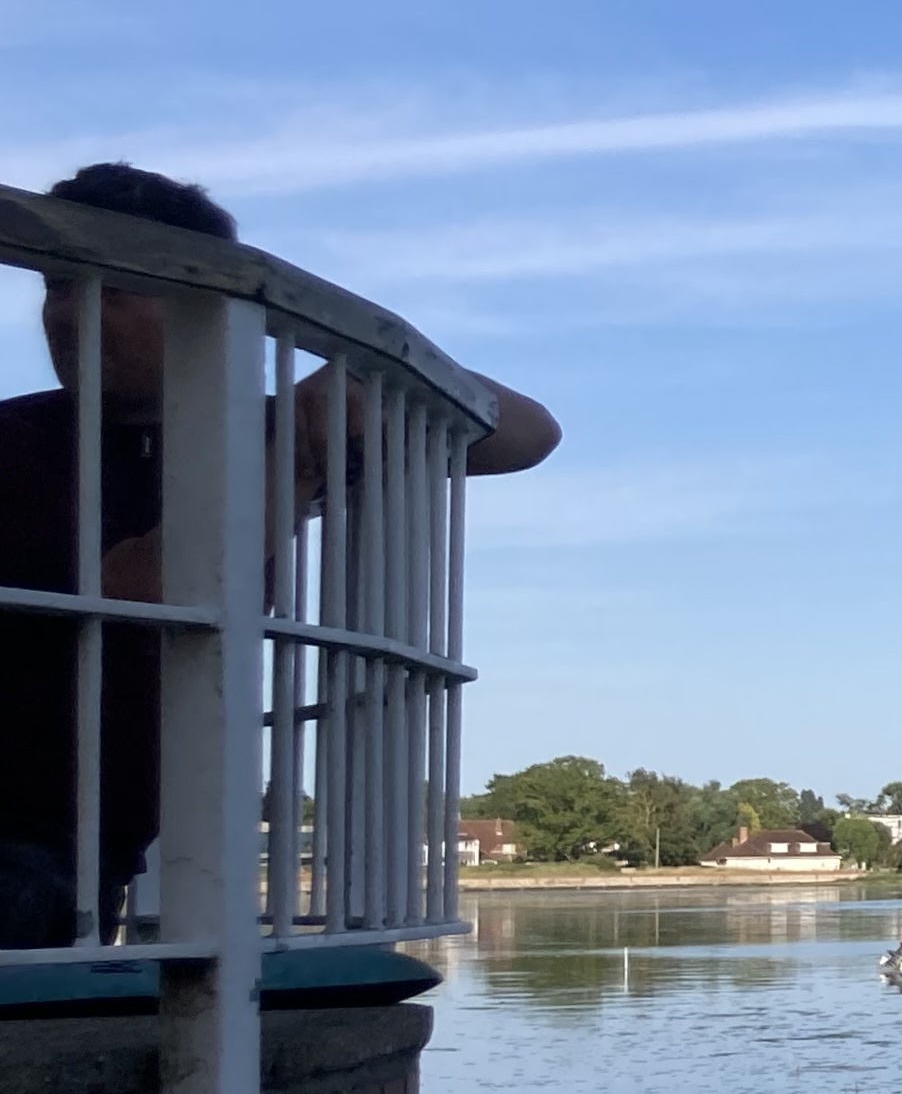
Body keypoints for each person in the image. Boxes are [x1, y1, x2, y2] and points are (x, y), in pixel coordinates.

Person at [0, 164, 560, 948]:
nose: (69, 311)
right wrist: (291, 466)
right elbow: (146, 594)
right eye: (56, 286)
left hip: (73, 854)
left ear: (200, 298)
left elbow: (529, 434)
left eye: (114, 287)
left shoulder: (259, 428)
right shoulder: (16, 444)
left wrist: (379, 380)